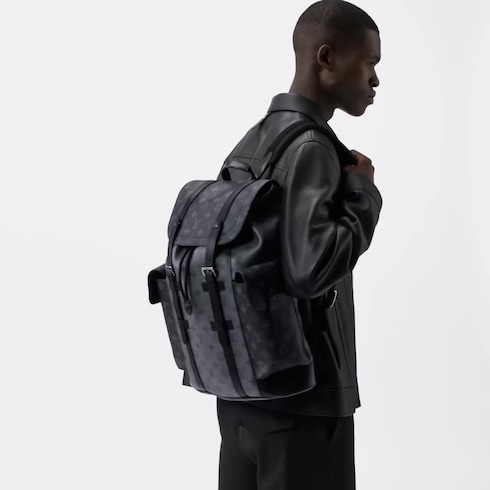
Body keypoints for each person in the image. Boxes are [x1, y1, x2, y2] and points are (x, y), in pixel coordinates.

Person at [215, 1, 382, 489]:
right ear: (326, 57)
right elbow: (311, 271)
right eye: (369, 63)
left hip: (242, 392)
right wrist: (363, 195)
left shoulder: (252, 141)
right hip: (305, 403)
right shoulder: (313, 148)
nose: (375, 80)